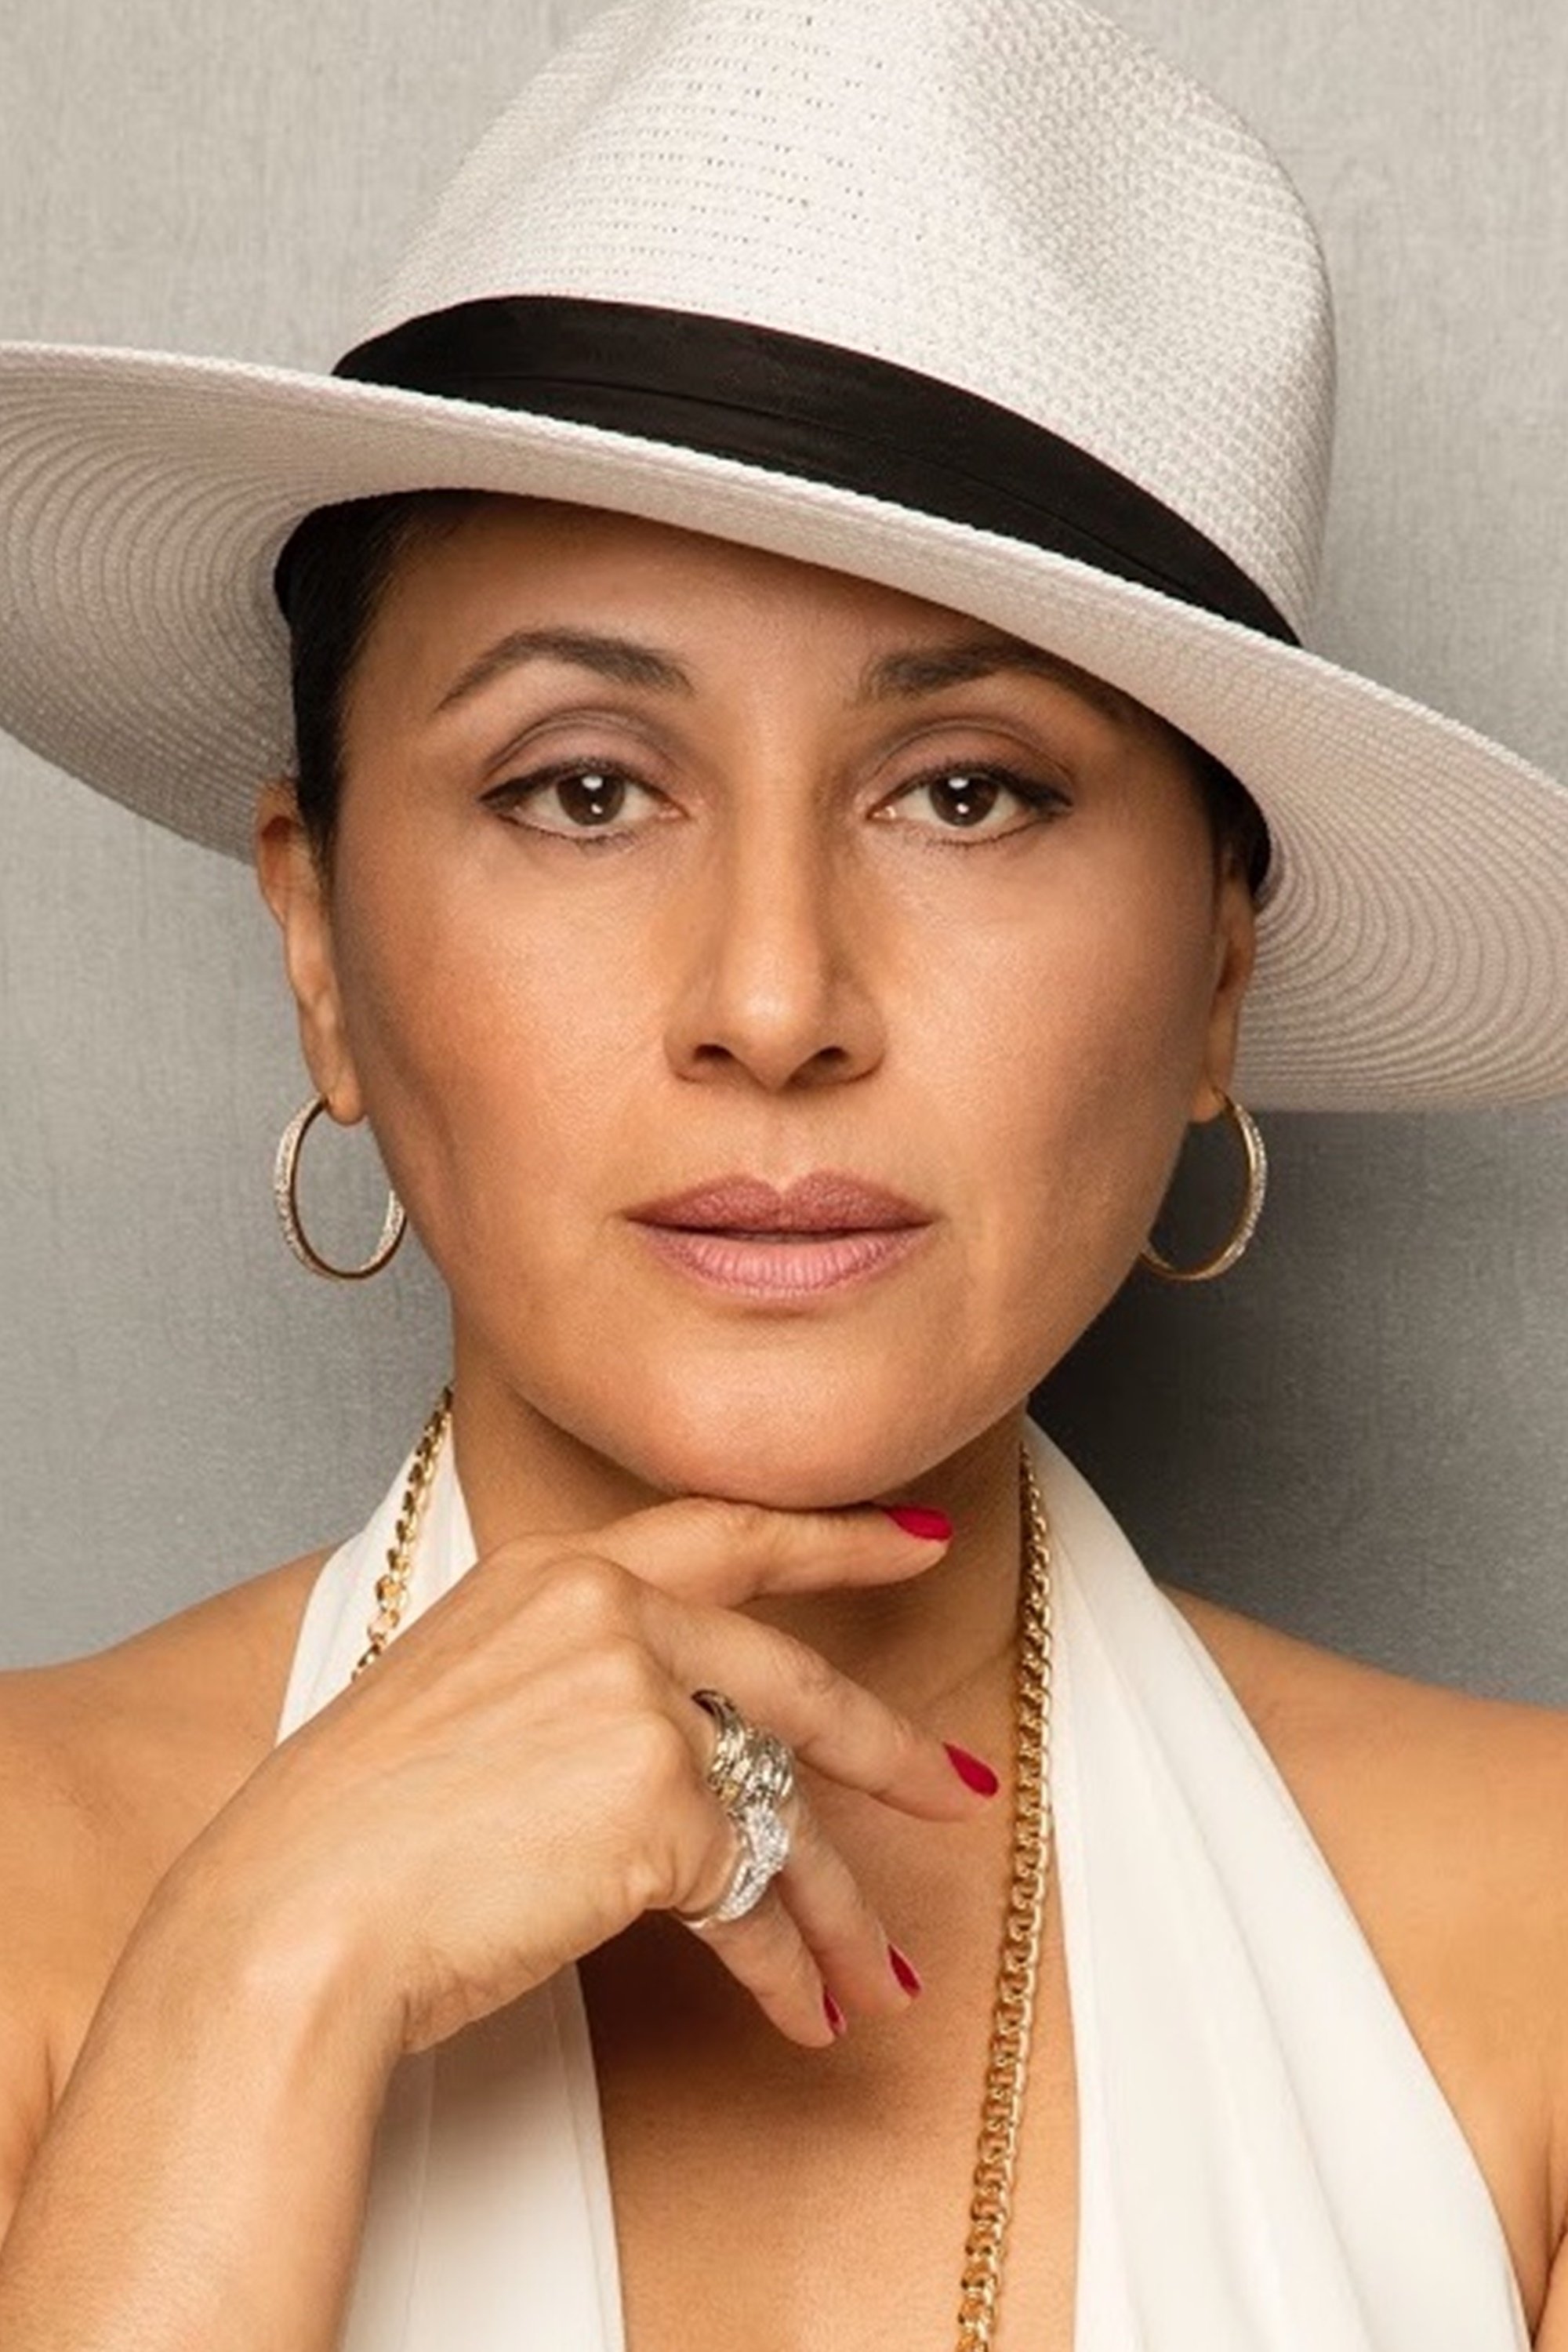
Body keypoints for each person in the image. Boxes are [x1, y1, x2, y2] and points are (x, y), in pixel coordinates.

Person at [0, 0, 1566, 2346]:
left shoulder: (1532, 1947)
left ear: (1219, 973)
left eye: (968, 792)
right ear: (319, 942)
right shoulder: (28, 1895)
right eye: (584, 788)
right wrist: (264, 1978)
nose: (771, 998)